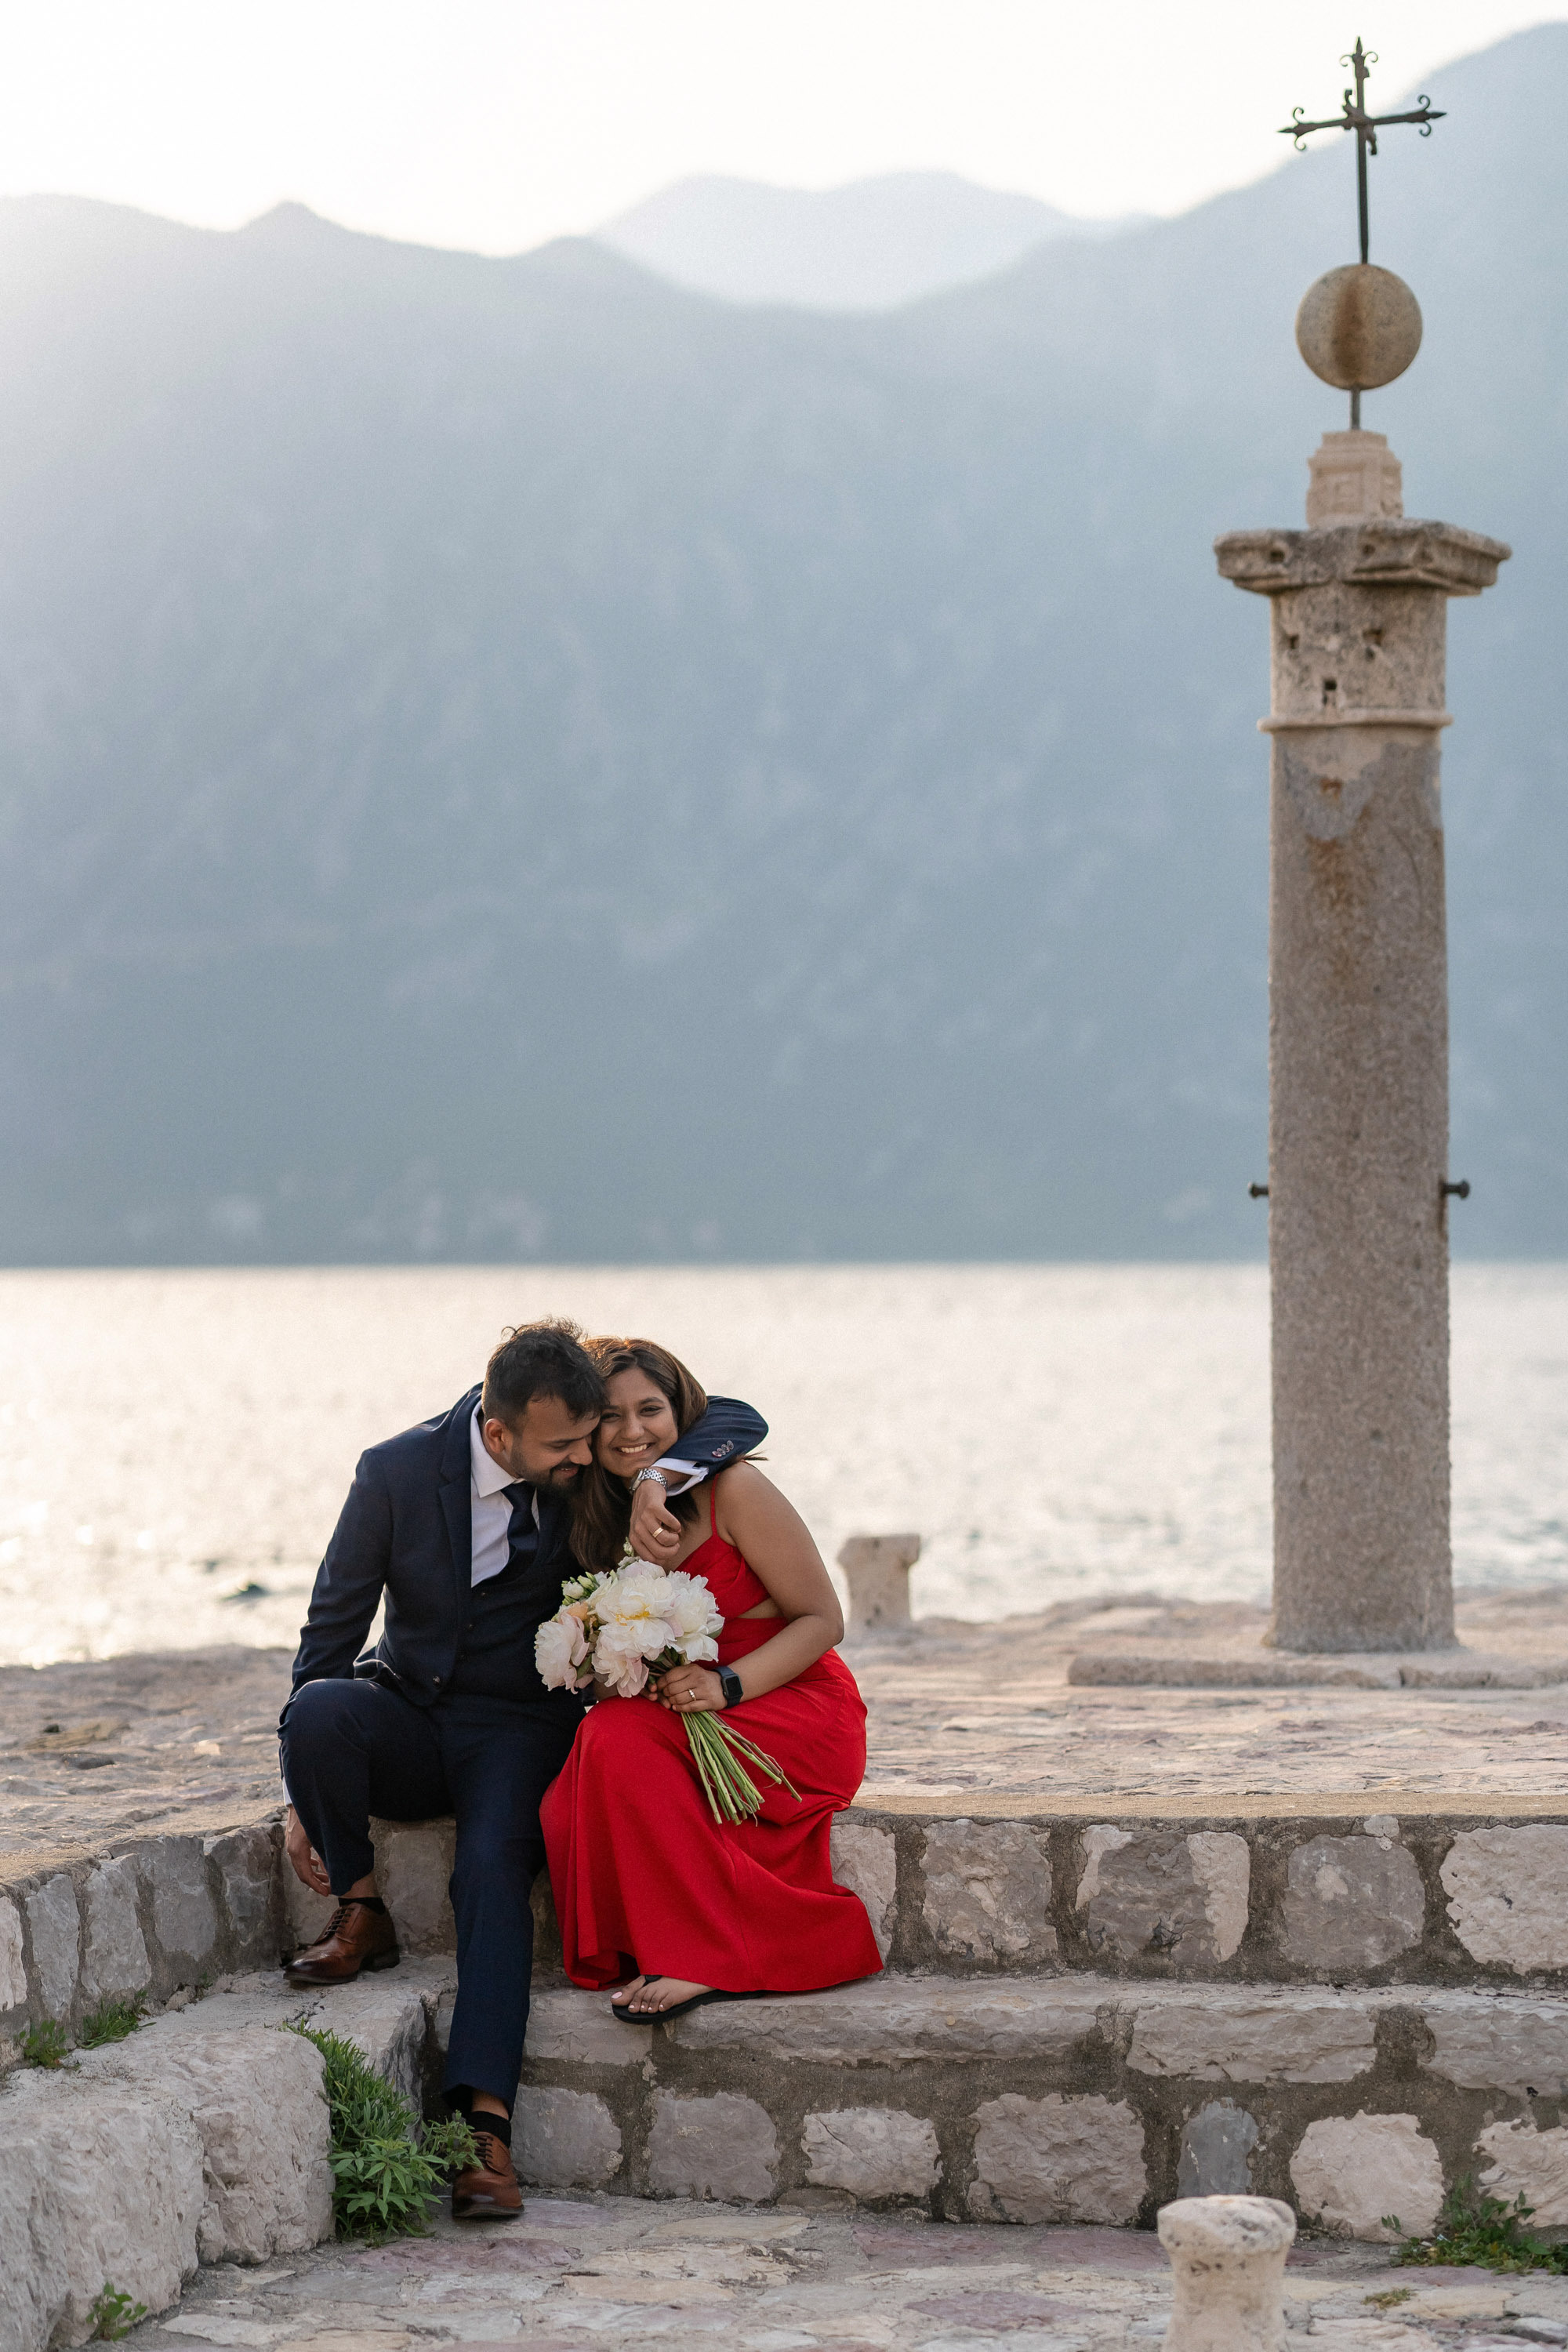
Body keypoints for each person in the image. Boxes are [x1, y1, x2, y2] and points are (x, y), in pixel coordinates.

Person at [278, 1318, 765, 2220]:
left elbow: (733, 1416)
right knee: (318, 1709)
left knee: (491, 1871)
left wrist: (653, 1475)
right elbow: (330, 1630)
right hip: (411, 1715)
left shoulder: (589, 1464)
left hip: (519, 1730)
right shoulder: (393, 1470)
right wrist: (303, 1793)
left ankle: (481, 2132)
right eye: (566, 1444)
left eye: (591, 1437)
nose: (589, 1455)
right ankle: (361, 1903)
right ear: (498, 1434)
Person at [541, 1336, 880, 2019]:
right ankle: (679, 1936)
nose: (633, 1431)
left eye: (651, 1410)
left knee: (619, 1741)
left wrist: (728, 1684)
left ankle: (707, 1955)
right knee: (602, 1740)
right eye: (610, 1415)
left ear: (680, 1414)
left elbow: (822, 1619)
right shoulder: (599, 1521)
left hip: (788, 1700)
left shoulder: (736, 1488)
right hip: (694, 1705)